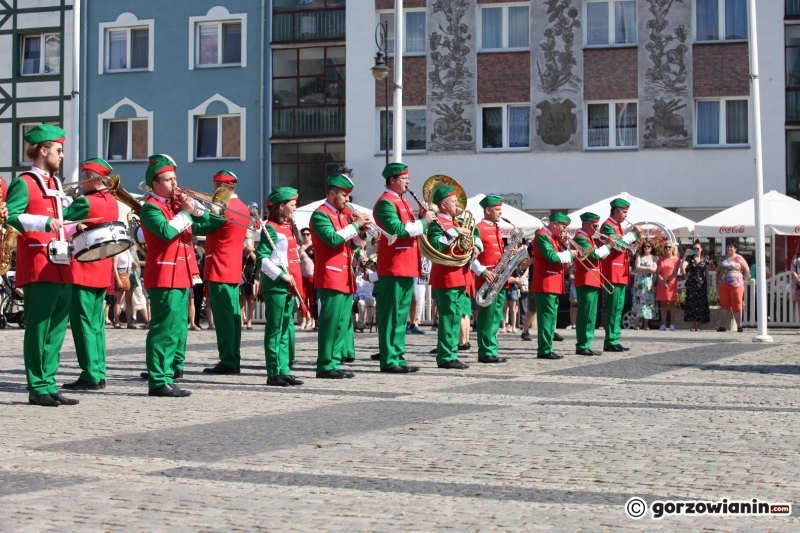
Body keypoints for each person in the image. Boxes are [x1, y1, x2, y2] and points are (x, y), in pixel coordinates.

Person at [5, 124, 76, 407]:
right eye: (58, 150)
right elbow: (12, 218)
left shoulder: (56, 184)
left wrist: (76, 217)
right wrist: (43, 222)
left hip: (62, 261)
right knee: (39, 327)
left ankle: (49, 382)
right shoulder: (24, 182)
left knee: (58, 327)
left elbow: (61, 220)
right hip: (38, 262)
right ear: (43, 150)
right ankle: (37, 385)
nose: (61, 156)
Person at [139, 154, 210, 397]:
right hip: (163, 274)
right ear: (156, 184)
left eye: (175, 178)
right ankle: (158, 380)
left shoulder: (175, 206)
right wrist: (187, 213)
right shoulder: (150, 207)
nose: (174, 184)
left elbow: (210, 222)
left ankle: (166, 375)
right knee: (163, 328)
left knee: (176, 329)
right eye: (169, 180)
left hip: (182, 274)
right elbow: (166, 231)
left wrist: (194, 207)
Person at [60, 158, 119, 391]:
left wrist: (69, 197)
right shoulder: (112, 201)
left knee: (82, 322)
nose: (82, 183)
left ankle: (90, 373)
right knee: (96, 324)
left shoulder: (86, 201)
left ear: (93, 179)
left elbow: (62, 214)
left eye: (85, 178)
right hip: (102, 267)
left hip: (83, 267)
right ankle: (99, 369)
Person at [372, 163, 435, 373]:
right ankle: (389, 360)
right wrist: (423, 222)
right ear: (392, 180)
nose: (408, 182)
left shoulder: (403, 201)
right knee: (390, 314)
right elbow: (398, 230)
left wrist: (421, 218)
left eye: (407, 178)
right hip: (393, 265)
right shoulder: (385, 203)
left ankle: (398, 357)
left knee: (401, 315)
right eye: (404, 178)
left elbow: (413, 229)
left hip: (407, 264)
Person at [191, 170, 250, 374]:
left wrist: (189, 211)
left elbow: (202, 228)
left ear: (220, 187)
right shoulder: (242, 206)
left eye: (214, 186)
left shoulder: (223, 207)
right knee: (233, 317)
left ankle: (229, 361)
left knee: (224, 319)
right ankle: (233, 357)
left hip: (218, 267)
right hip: (232, 268)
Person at [311, 175, 369, 378]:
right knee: (330, 322)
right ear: (332, 193)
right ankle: (325, 364)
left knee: (343, 323)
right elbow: (332, 239)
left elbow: (350, 245)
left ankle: (334, 362)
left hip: (346, 276)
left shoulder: (342, 215)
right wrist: (355, 225)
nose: (347, 200)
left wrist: (360, 232)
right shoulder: (320, 215)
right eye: (344, 195)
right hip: (331, 276)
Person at [426, 185, 481, 370]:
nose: (458, 204)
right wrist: (455, 233)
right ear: (443, 205)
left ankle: (451, 353)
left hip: (461, 274)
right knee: (448, 317)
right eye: (454, 201)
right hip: (446, 275)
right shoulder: (436, 224)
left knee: (456, 316)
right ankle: (445, 356)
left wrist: (474, 247)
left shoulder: (457, 222)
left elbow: (470, 240)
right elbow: (436, 245)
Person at [257, 186, 306, 386]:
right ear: (282, 206)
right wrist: (281, 276)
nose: (295, 208)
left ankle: (284, 369)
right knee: (275, 329)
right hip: (276, 284)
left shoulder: (288, 227)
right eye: (292, 205)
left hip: (288, 285)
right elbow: (262, 258)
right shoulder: (269, 227)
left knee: (286, 328)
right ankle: (273, 371)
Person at [471, 195, 526, 363]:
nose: (500, 213)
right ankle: (486, 352)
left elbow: (497, 256)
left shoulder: (496, 228)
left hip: (500, 280)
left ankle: (492, 349)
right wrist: (483, 272)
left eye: (501, 210)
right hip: (487, 280)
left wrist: (511, 254)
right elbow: (472, 256)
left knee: (496, 317)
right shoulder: (478, 228)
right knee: (487, 317)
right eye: (497, 210)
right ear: (487, 210)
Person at [532, 213, 575, 359]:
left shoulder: (555, 238)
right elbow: (551, 257)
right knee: (546, 317)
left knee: (551, 317)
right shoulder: (543, 235)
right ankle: (544, 349)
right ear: (555, 223)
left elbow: (562, 261)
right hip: (546, 282)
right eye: (563, 226)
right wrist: (572, 254)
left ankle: (548, 347)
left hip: (554, 282)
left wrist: (565, 245)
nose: (564, 230)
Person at [600, 198, 639, 352]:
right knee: (613, 307)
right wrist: (634, 235)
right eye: (624, 212)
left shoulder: (618, 226)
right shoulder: (608, 226)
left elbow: (625, 246)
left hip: (621, 272)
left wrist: (633, 243)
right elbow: (618, 245)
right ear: (615, 211)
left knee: (618, 308)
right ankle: (610, 340)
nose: (625, 215)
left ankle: (615, 338)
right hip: (612, 272)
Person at [571, 212, 612, 356]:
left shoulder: (589, 238)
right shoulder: (581, 238)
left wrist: (606, 249)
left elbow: (597, 257)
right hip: (586, 278)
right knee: (585, 313)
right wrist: (607, 246)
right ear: (586, 224)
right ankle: (582, 344)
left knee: (591, 314)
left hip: (593, 278)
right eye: (594, 226)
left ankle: (587, 343)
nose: (596, 228)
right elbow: (594, 255)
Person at [716, 242, 750, 333]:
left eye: (731, 247)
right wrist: (717, 282)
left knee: (737, 304)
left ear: (735, 249)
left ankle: (739, 326)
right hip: (723, 285)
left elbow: (746, 270)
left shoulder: (739, 258)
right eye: (728, 247)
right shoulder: (723, 258)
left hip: (736, 285)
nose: (729, 249)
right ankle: (723, 326)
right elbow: (718, 270)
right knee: (724, 305)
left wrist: (740, 278)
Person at [682, 240, 711, 331]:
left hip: (702, 283)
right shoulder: (690, 259)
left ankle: (699, 324)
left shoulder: (705, 260)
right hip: (692, 283)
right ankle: (693, 324)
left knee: (701, 303)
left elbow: (707, 273)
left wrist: (708, 286)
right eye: (694, 249)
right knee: (692, 303)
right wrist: (685, 255)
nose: (696, 250)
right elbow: (682, 265)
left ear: (701, 249)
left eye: (697, 249)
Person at [632, 242, 657, 330]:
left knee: (648, 303)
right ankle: (636, 323)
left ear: (651, 247)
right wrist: (649, 269)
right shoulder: (639, 256)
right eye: (645, 246)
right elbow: (637, 267)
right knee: (639, 301)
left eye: (648, 246)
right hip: (639, 282)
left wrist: (645, 269)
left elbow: (654, 269)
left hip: (649, 283)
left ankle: (646, 324)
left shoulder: (654, 257)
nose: (646, 247)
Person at [656, 242, 680, 331]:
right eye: (666, 247)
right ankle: (663, 324)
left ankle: (672, 324)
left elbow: (675, 273)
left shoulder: (676, 259)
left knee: (672, 304)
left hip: (671, 283)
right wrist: (662, 281)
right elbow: (657, 272)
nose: (668, 249)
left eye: (669, 247)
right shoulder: (661, 259)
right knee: (663, 304)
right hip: (661, 282)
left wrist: (666, 280)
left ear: (673, 248)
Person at [112, 247, 135, 328]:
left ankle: (129, 322)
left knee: (129, 300)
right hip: (121, 274)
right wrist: (118, 280)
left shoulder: (128, 251)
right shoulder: (117, 251)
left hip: (130, 274)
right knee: (119, 299)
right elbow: (114, 266)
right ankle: (116, 321)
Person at [298, 227, 316, 329]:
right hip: (303, 276)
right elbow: (297, 261)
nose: (306, 236)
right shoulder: (299, 247)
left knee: (312, 300)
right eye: (304, 234)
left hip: (313, 276)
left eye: (308, 234)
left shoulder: (314, 246)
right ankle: (304, 320)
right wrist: (300, 251)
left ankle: (313, 320)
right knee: (303, 299)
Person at [240, 231, 258, 329]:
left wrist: (250, 251)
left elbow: (257, 261)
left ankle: (249, 323)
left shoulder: (255, 250)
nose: (246, 240)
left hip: (252, 275)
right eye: (245, 238)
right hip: (242, 275)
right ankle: (241, 322)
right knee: (241, 300)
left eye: (248, 238)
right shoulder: (240, 249)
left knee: (251, 300)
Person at [354, 257, 376, 331]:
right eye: (361, 262)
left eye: (364, 262)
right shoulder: (357, 274)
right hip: (358, 296)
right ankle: (353, 324)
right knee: (349, 303)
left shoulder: (372, 274)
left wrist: (366, 270)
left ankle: (360, 326)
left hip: (369, 297)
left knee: (361, 303)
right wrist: (357, 272)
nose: (362, 263)